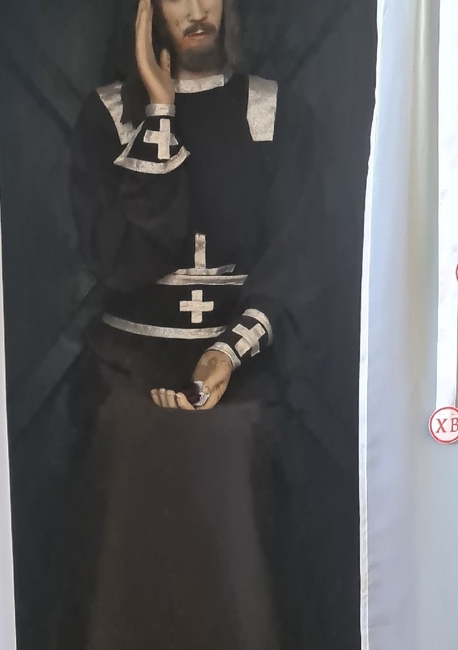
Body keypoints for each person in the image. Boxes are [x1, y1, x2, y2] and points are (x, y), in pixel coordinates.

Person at [65, 0, 359, 648]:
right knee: (128, 441)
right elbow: (128, 261)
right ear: (145, 10)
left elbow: (296, 261)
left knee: (238, 450)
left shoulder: (274, 114)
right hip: (127, 373)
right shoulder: (108, 117)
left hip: (243, 375)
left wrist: (227, 352)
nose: (197, 10)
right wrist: (159, 112)